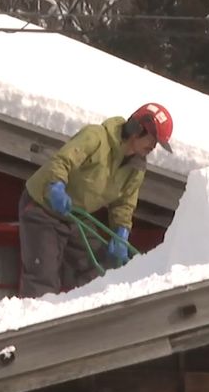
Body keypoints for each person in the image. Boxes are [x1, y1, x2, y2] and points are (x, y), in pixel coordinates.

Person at [19, 102, 173, 298]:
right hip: (43, 208)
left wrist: (121, 232)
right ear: (137, 129)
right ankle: (37, 323)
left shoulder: (136, 167)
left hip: (75, 215)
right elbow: (61, 161)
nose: (153, 147)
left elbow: (124, 203)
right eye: (153, 140)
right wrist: (56, 186)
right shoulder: (95, 138)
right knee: (43, 277)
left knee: (97, 271)